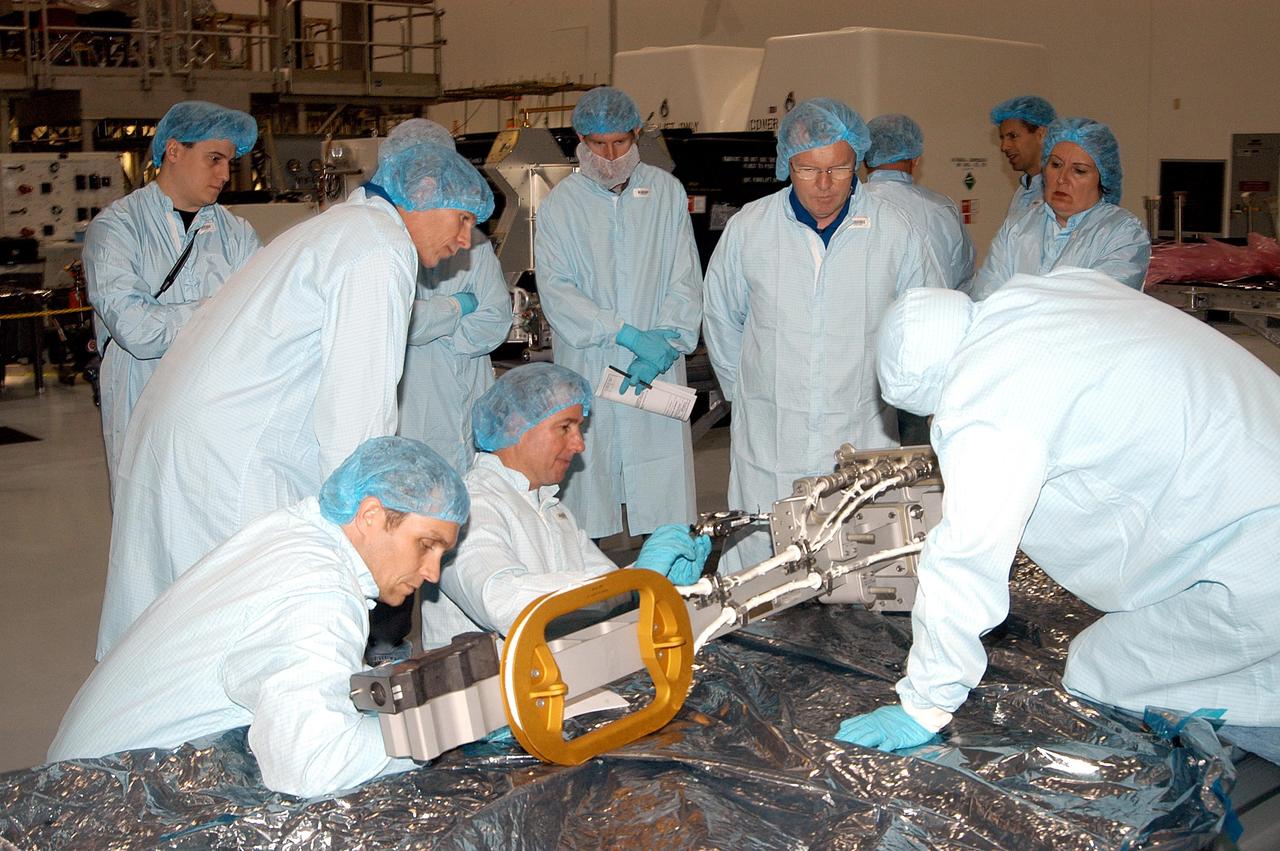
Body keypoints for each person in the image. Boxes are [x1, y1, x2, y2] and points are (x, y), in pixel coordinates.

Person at [836, 272, 1280, 765]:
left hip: (1255, 562)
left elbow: (965, 559)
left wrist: (923, 704)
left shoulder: (987, 396)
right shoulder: (1053, 292)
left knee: (1102, 669)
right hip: (1250, 495)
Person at [97, 138, 494, 659]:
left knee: (172, 636)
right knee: (246, 642)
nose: (466, 241)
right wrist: (370, 530)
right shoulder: (379, 248)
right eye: (462, 219)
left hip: (192, 445)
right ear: (422, 196)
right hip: (232, 464)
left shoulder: (343, 229)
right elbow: (357, 413)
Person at [50, 437, 467, 797]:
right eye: (426, 544)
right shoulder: (319, 591)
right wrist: (447, 724)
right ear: (371, 515)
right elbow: (312, 766)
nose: (432, 572)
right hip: (103, 800)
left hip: (77, 773)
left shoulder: (293, 533)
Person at [703, 97, 939, 575]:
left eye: (839, 169)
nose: (825, 185)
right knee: (761, 571)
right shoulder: (751, 228)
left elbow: (925, 320)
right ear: (786, 163)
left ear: (859, 162)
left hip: (861, 430)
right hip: (771, 437)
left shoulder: (895, 230)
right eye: (809, 169)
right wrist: (750, 395)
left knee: (859, 568)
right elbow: (722, 318)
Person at [421, 363, 711, 650]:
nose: (579, 444)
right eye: (565, 427)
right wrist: (635, 581)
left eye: (579, 428)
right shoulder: (468, 507)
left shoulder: (551, 510)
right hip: (488, 690)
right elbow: (503, 602)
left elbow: (606, 593)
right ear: (515, 425)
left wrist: (653, 584)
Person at [533, 85, 703, 540]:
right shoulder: (560, 206)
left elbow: (684, 276)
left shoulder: (665, 192)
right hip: (591, 364)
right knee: (588, 494)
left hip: (657, 367)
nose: (609, 155)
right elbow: (557, 289)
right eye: (597, 145)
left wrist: (664, 342)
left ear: (636, 135)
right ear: (580, 141)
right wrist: (623, 333)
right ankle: (592, 596)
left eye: (620, 143)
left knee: (662, 494)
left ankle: (668, 586)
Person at [84, 100, 260, 493]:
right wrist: (220, 313)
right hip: (144, 407)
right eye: (214, 159)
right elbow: (137, 331)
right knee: (149, 530)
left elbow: (261, 321)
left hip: (220, 411)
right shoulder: (116, 230)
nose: (225, 174)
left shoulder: (238, 234)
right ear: (174, 151)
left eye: (229, 162)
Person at [390, 119, 512, 475]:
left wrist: (436, 334)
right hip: (409, 407)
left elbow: (495, 321)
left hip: (467, 398)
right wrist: (458, 307)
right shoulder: (385, 243)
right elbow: (399, 321)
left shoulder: (473, 242)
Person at [969, 118, 1151, 300]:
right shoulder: (1017, 227)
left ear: (1102, 179)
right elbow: (986, 299)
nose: (1062, 179)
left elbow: (1097, 307)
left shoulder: (1123, 233)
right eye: (1055, 165)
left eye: (1079, 170)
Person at [862, 114, 975, 293]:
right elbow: (963, 281)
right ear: (916, 158)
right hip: (931, 316)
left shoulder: (848, 206)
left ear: (865, 158)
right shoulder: (943, 209)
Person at [990, 95, 1057, 220]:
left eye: (1013, 136)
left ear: (1041, 134)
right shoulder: (1023, 191)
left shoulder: (1062, 190)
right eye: (1002, 138)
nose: (1004, 146)